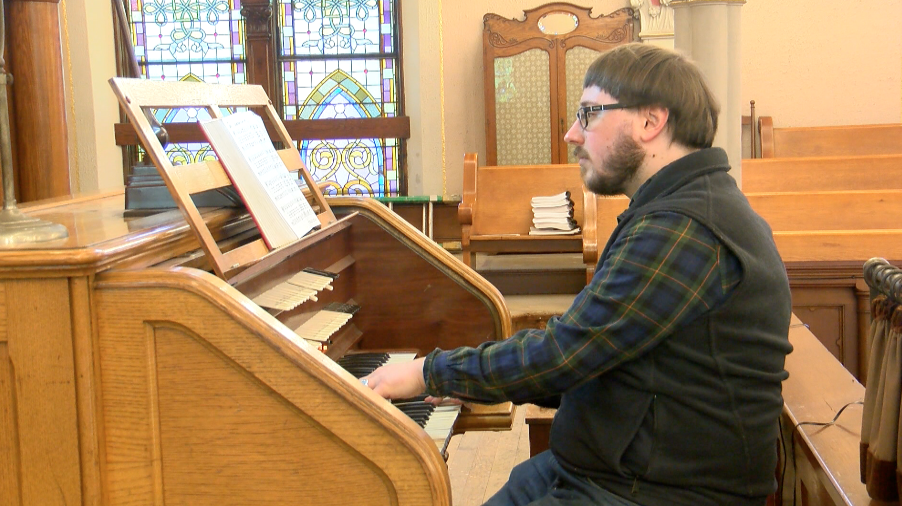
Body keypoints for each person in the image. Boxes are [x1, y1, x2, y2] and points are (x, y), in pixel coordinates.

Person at [362, 42, 793, 506]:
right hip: (600, 471)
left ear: (651, 121)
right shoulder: (677, 209)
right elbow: (603, 362)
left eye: (589, 114)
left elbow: (566, 353)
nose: (571, 133)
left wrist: (431, 373)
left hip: (654, 493)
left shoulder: (685, 229)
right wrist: (470, 384)